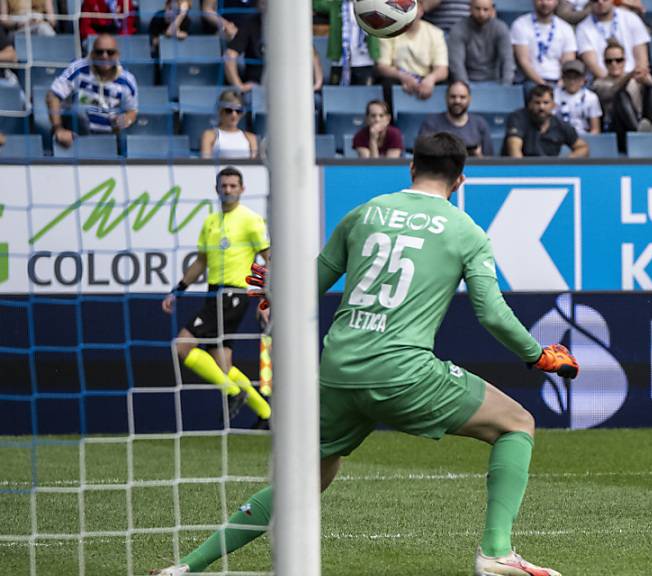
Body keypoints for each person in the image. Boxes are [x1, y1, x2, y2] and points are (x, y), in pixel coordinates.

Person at [153, 133, 579, 576]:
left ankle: (187, 566)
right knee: (517, 424)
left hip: (337, 371)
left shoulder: (363, 214)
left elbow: (304, 290)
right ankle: (496, 552)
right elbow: (490, 313)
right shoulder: (465, 231)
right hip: (404, 371)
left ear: (411, 168)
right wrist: (538, 356)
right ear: (460, 180)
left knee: (304, 481)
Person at [160, 167, 272, 425]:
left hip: (234, 294)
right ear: (217, 189)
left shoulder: (251, 220)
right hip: (214, 294)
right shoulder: (211, 222)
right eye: (224, 186)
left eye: (233, 186)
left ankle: (233, 392)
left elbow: (269, 261)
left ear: (242, 189)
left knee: (182, 346)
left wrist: (265, 300)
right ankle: (267, 414)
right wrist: (178, 290)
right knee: (222, 364)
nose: (228, 190)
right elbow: (201, 262)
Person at [46, 34, 138, 148]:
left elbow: (132, 111)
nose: (105, 56)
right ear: (92, 54)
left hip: (108, 137)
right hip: (75, 134)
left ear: (117, 55)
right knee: (78, 109)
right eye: (100, 52)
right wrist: (58, 129)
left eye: (110, 52)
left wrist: (124, 120)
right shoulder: (78, 68)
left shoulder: (127, 80)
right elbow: (53, 95)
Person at [592, 40, 652, 139]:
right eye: (609, 61)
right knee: (621, 95)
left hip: (642, 120)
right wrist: (629, 76)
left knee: (651, 90)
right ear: (604, 63)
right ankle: (638, 133)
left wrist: (646, 79)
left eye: (618, 60)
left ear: (624, 61)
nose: (614, 64)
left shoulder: (635, 79)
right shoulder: (599, 83)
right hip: (617, 128)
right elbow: (613, 91)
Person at [375, 3, 449, 100]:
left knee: (446, 85)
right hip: (398, 77)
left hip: (426, 78)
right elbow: (382, 67)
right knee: (386, 83)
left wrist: (431, 79)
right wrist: (402, 77)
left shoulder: (435, 33)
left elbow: (442, 70)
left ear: (421, 11)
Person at [505, 84, 589, 157]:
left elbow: (582, 147)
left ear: (553, 105)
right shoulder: (518, 118)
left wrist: (565, 163)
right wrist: (522, 172)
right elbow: (514, 150)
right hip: (522, 170)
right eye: (537, 103)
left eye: (546, 103)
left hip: (550, 171)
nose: (541, 107)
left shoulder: (560, 124)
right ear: (529, 104)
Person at [575, 0, 651, 79]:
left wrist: (631, 79)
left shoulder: (631, 18)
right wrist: (616, 84)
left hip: (633, 78)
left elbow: (642, 61)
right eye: (595, 0)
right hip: (602, 80)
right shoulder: (582, 28)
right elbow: (593, 65)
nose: (600, 2)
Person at [446, 0, 515, 85]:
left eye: (485, 9)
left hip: (494, 81)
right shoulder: (458, 29)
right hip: (467, 81)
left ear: (492, 10)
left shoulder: (501, 28)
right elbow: (456, 65)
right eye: (477, 9)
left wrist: (506, 87)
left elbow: (507, 59)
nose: (481, 14)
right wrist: (465, 87)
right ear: (470, 8)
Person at [510, 0, 577, 86]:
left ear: (557, 2)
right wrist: (543, 85)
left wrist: (561, 83)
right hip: (531, 81)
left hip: (558, 81)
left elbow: (568, 62)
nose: (545, 3)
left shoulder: (566, 28)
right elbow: (524, 61)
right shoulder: (520, 25)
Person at [417, 80, 494, 156]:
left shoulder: (480, 124)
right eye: (453, 96)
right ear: (446, 97)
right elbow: (422, 157)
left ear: (469, 99)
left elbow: (491, 162)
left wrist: (478, 157)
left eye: (462, 97)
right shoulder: (431, 124)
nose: (457, 101)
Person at [200, 90, 259, 159]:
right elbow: (205, 166)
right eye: (229, 110)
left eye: (238, 111)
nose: (234, 115)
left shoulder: (251, 138)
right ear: (220, 111)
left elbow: (254, 168)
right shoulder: (209, 136)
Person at [554, 59, 602, 134]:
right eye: (568, 77)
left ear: (583, 79)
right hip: (560, 137)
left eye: (576, 78)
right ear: (563, 78)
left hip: (584, 137)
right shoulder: (555, 95)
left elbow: (595, 129)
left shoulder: (591, 98)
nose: (572, 81)